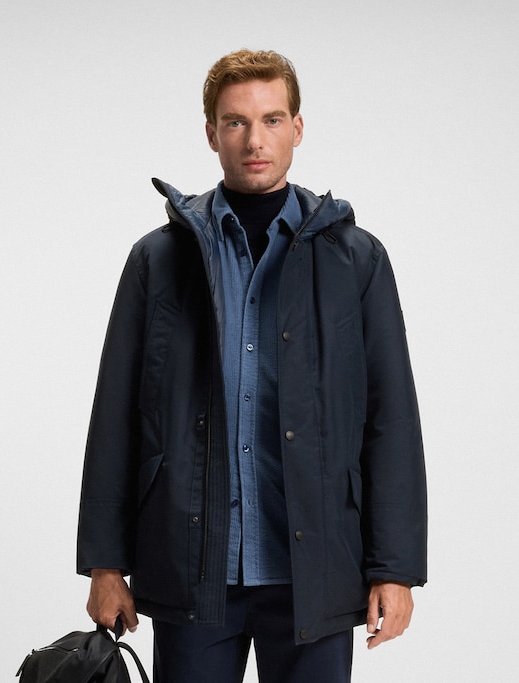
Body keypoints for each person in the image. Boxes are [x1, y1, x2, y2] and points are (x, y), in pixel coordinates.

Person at [77, 49, 427, 682]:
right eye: (235, 122)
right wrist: (105, 564)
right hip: (191, 568)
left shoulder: (357, 261)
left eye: (272, 119)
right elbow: (116, 415)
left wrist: (395, 568)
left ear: (298, 127)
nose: (254, 140)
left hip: (316, 570)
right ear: (212, 133)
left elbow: (390, 418)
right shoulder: (157, 261)